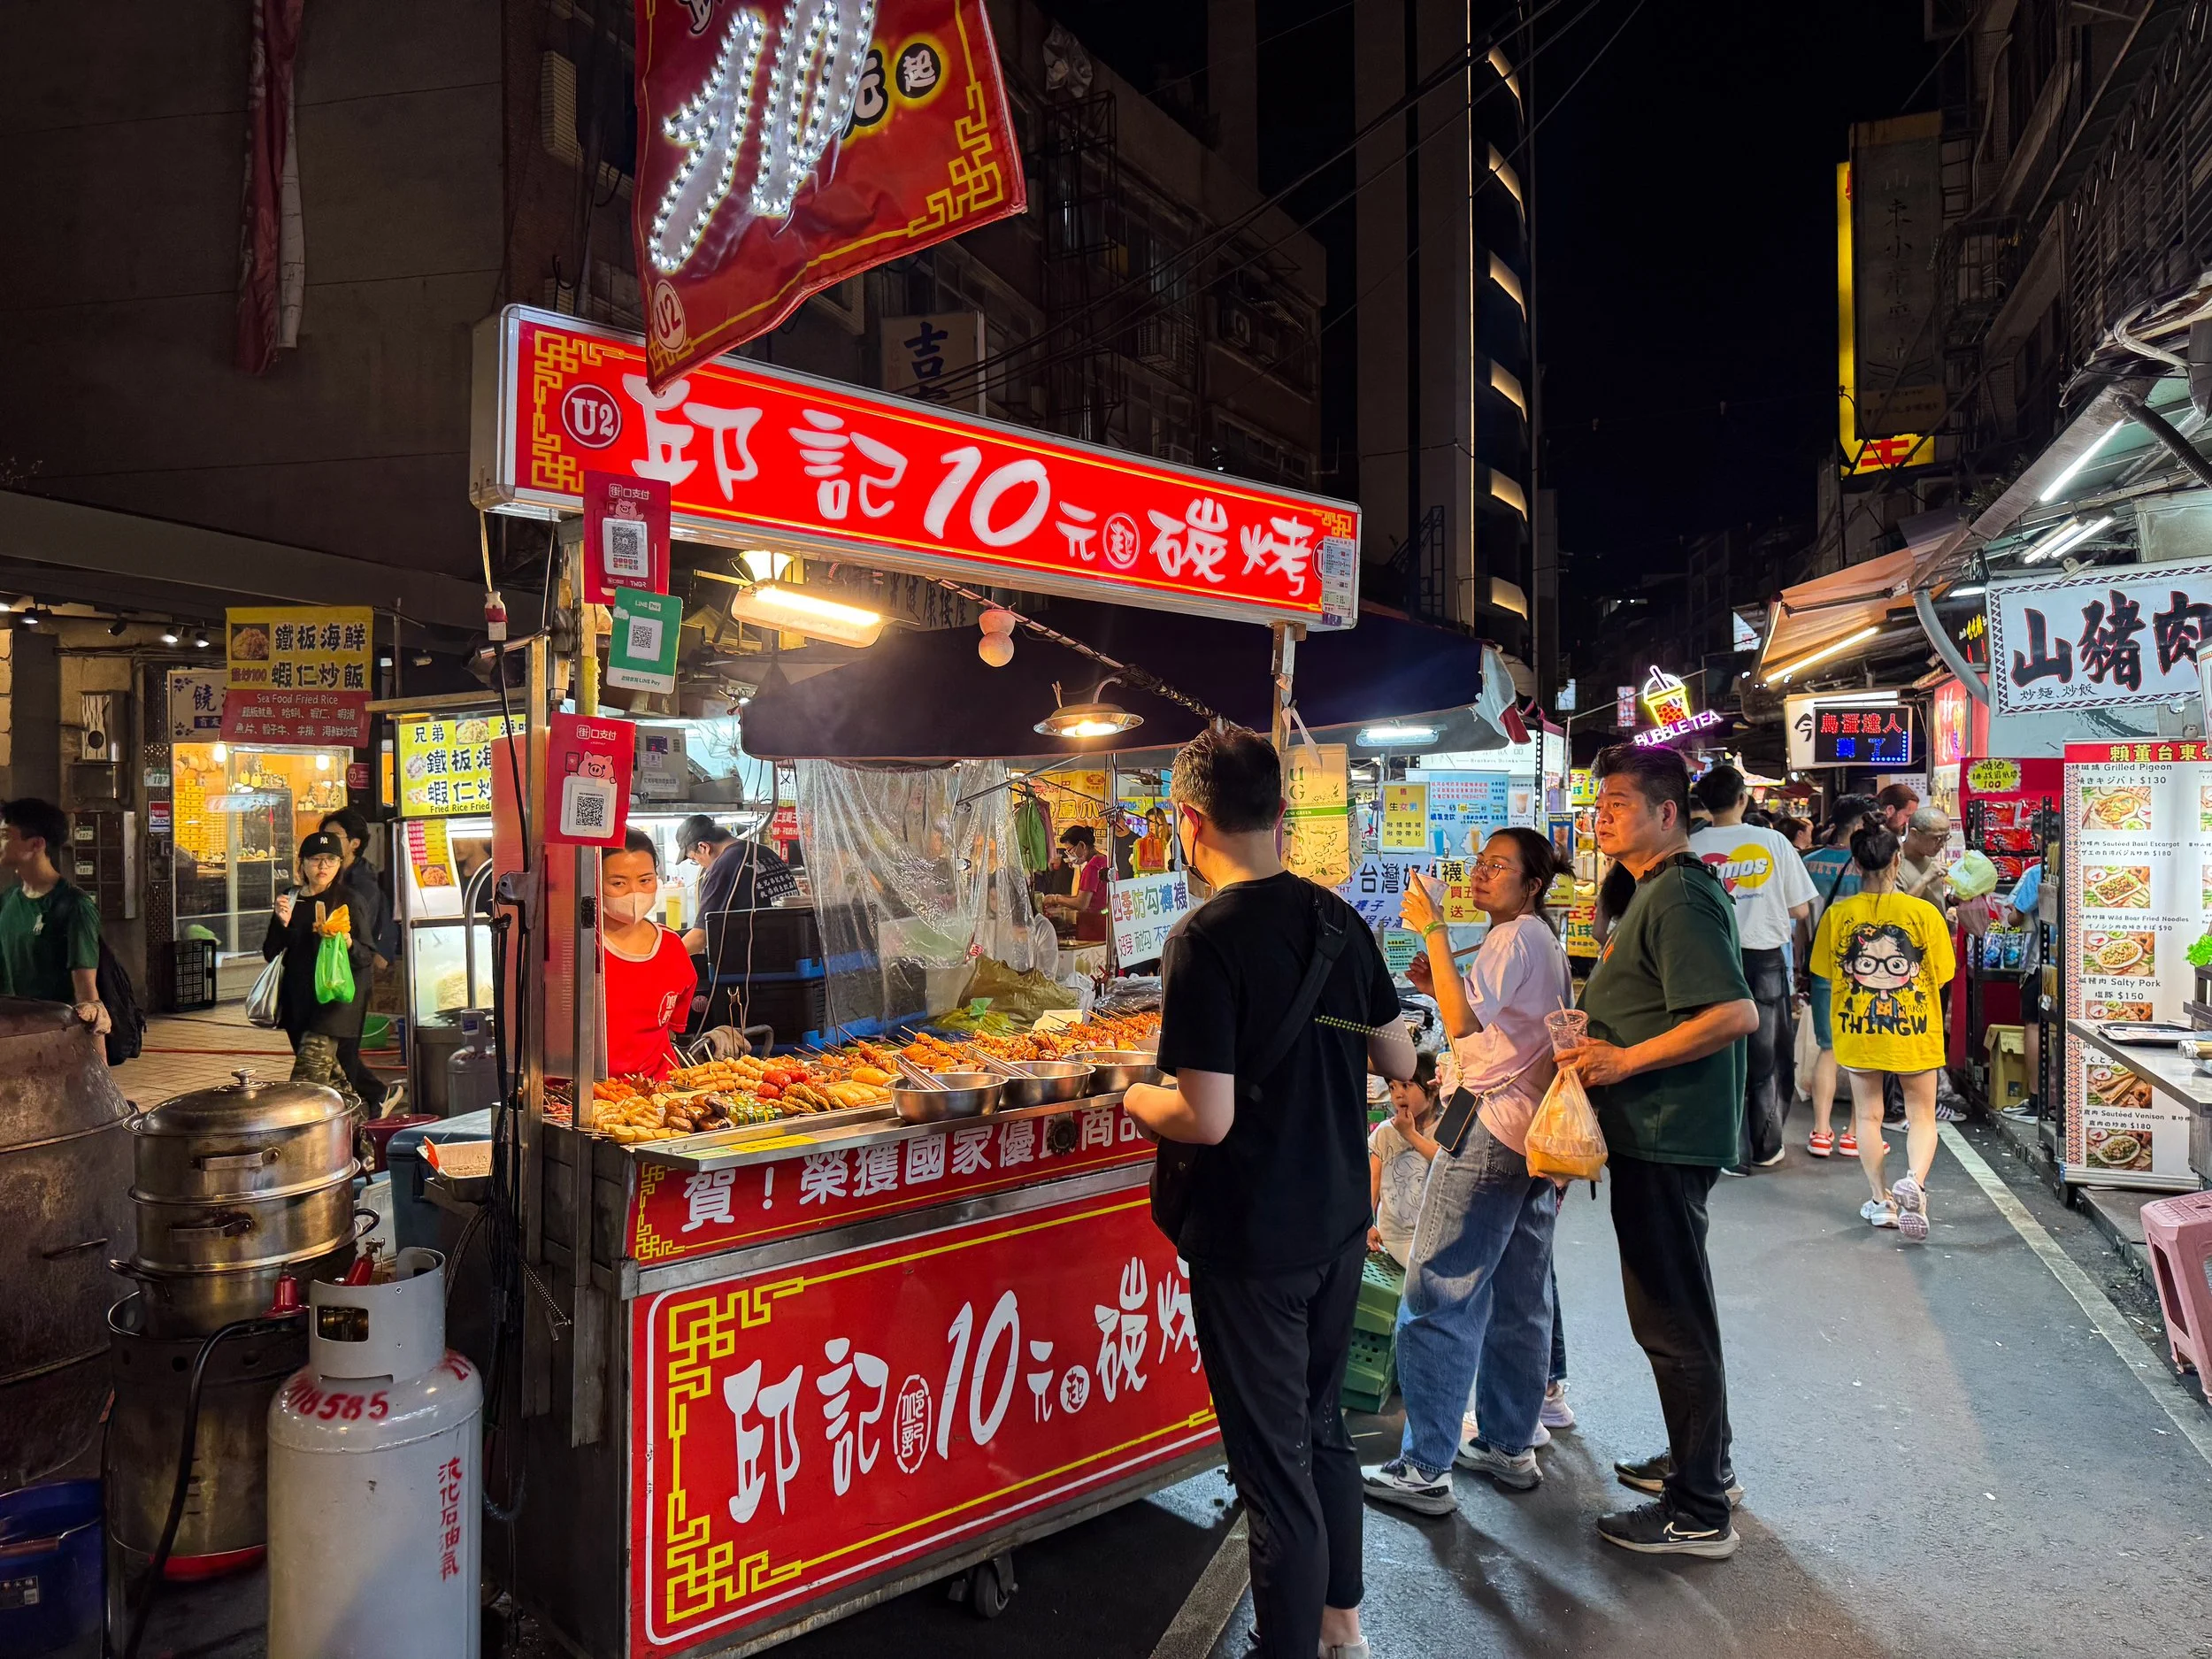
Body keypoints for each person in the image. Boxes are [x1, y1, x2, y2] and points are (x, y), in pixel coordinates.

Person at [1125, 726, 1409, 1659]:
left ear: (1189, 821)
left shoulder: (1204, 938)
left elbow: (1202, 1118)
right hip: (1335, 1222)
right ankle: (1343, 1628)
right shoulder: (1337, 921)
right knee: (1322, 1430)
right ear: (1282, 815)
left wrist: (1129, 1093)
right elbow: (1398, 1055)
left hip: (1254, 1241)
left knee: (1272, 1470)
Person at [1558, 744, 1757, 1558]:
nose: (1601, 815)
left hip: (1667, 1132)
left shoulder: (1677, 892)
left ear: (1667, 812)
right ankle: (1703, 1464)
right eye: (1597, 804)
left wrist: (1622, 1060)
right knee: (1680, 1312)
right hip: (1655, 1132)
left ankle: (1699, 1510)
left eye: (1617, 803)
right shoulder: (1651, 889)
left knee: (1671, 1319)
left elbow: (1734, 1013)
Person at [1363, 827, 1576, 1515]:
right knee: (1519, 1293)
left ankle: (1426, 1463)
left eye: (1499, 867)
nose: (1482, 875)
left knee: (1439, 1290)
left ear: (1532, 883)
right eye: (1480, 864)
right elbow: (1485, 1012)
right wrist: (1444, 972)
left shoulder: (1515, 937)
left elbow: (1461, 1028)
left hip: (1488, 1132)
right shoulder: (1536, 940)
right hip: (1529, 1138)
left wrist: (1430, 931)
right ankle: (1510, 1442)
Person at [1810, 824, 1955, 1240]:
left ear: (1856, 863)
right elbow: (1943, 974)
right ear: (1897, 860)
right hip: (1916, 1031)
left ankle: (1881, 1201)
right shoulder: (1924, 914)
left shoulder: (1838, 915)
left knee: (1869, 1117)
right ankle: (1915, 1182)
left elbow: (1823, 970)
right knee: (1921, 1115)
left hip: (1858, 1033)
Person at [1689, 765, 1815, 1171]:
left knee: (1714, 1051)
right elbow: (1799, 909)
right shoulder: (1774, 842)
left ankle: (1723, 1146)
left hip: (1706, 960)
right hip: (1762, 961)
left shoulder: (1690, 845)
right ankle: (1763, 1146)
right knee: (1767, 1057)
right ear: (1743, 798)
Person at [262, 831, 376, 1115]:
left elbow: (366, 955)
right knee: (336, 1088)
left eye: (330, 860)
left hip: (336, 1003)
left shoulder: (349, 899)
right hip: (299, 1002)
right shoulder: (290, 899)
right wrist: (282, 924)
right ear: (302, 863)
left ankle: (294, 1136)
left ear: (339, 864)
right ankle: (361, 1141)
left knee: (307, 1083)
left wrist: (347, 940)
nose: (322, 867)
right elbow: (270, 952)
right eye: (315, 860)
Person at [604, 829, 719, 1081]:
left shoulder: (670, 947)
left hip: (660, 1091)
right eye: (618, 883)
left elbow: (670, 1030)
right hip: (588, 1095)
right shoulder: (573, 949)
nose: (634, 892)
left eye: (645, 880)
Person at [1798, 795, 1877, 1157]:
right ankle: (1852, 1134)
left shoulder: (1809, 863)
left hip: (1822, 966)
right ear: (1859, 823)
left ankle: (1820, 1132)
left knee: (1828, 1049)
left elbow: (1799, 922)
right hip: (1866, 970)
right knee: (1860, 1050)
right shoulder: (1867, 868)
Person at [0, 798, 109, 1035]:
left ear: (36, 844)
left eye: (6, 835)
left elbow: (87, 995)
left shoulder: (74, 905)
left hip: (55, 1041)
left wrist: (99, 1067)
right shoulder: (8, 901)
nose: (0, 842)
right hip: (12, 1036)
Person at [320, 807, 397, 1110]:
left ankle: (369, 1099)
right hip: (328, 973)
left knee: (342, 1050)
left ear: (354, 843)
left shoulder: (361, 884)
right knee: (336, 1050)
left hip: (351, 972)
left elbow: (356, 932)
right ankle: (372, 1097)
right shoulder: (328, 877)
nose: (325, 843)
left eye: (334, 836)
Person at [676, 814, 798, 953]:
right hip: (791, 954)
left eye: (694, 859)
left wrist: (659, 962)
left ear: (704, 847)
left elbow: (700, 938)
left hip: (756, 964)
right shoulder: (765, 852)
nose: (699, 864)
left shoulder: (723, 866)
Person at [1366, 1052, 1440, 1267]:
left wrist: (1410, 1134)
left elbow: (1444, 1164)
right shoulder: (1385, 1131)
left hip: (1428, 1238)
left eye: (1406, 1086)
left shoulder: (1443, 1131)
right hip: (1391, 1236)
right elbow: (1374, 1179)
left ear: (1433, 1090)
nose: (1398, 1095)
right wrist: (1368, 1223)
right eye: (1392, 1087)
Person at [1038, 825, 1110, 941]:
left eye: (1070, 850)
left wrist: (1055, 899)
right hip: (1105, 924)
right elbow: (1087, 897)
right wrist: (1064, 900)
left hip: (1093, 928)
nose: (1069, 854)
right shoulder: (1105, 860)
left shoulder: (1092, 867)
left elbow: (1081, 903)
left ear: (1082, 845)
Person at [1897, 807, 1955, 907]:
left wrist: (1952, 901)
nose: (1942, 844)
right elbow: (1898, 910)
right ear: (1914, 834)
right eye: (1937, 838)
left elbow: (1933, 902)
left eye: (1946, 838)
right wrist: (1925, 879)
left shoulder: (1930, 859)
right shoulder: (1893, 865)